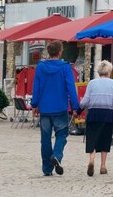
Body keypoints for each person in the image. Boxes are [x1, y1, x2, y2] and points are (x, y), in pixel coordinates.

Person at [31, 41, 81, 177]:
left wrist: (34, 104)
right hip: (60, 107)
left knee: (45, 139)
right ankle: (57, 155)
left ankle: (47, 168)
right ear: (60, 51)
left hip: (45, 108)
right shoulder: (65, 67)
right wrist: (76, 107)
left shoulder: (41, 67)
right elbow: (71, 87)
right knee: (62, 134)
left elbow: (37, 87)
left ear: (48, 52)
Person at [79, 60, 113, 177]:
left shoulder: (92, 83)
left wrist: (78, 110)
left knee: (92, 138)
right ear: (109, 72)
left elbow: (85, 101)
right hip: (107, 114)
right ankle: (103, 166)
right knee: (105, 139)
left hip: (93, 114)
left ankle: (91, 159)